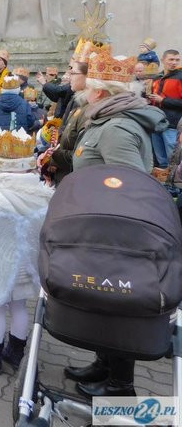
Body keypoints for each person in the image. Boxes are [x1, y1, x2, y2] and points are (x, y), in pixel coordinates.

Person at [65, 48, 168, 398]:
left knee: (118, 309)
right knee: (104, 305)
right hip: (99, 227)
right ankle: (104, 364)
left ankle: (121, 386)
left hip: (116, 234)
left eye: (91, 86)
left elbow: (130, 188)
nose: (85, 92)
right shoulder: (106, 121)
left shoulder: (117, 129)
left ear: (102, 92)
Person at [0, 128, 54, 374]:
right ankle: (16, 353)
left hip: (0, 261)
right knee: (19, 306)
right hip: (27, 261)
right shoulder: (42, 194)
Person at [39, 60, 88, 184]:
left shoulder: (87, 107)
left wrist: (54, 157)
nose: (69, 76)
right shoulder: (75, 99)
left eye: (73, 72)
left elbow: (79, 151)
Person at [148, 49, 182, 167]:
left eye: (177, 60)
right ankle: (163, 183)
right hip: (156, 122)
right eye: (171, 59)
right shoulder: (157, 77)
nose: (174, 62)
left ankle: (174, 183)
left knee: (172, 157)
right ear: (163, 60)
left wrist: (164, 100)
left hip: (172, 124)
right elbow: (154, 98)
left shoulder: (180, 77)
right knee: (160, 158)